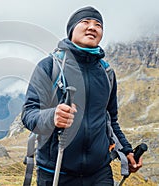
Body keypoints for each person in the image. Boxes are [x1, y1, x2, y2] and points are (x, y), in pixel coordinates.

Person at [21, 6, 143, 185]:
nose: (92, 27)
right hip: (55, 171)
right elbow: (29, 114)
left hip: (99, 173)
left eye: (98, 25)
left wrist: (126, 151)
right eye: (85, 22)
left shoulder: (106, 73)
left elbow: (110, 120)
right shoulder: (50, 67)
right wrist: (52, 116)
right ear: (71, 30)